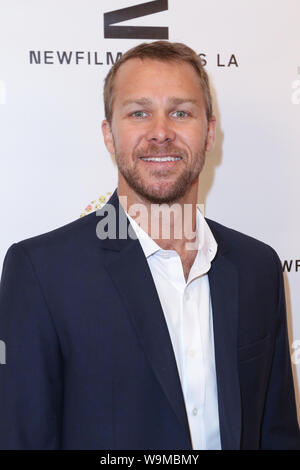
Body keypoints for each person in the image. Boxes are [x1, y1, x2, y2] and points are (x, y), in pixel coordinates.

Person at [0, 41, 299, 450]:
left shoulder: (258, 267)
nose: (161, 132)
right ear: (109, 135)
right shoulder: (41, 272)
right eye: (139, 113)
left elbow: (276, 432)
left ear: (209, 132)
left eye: (181, 112)